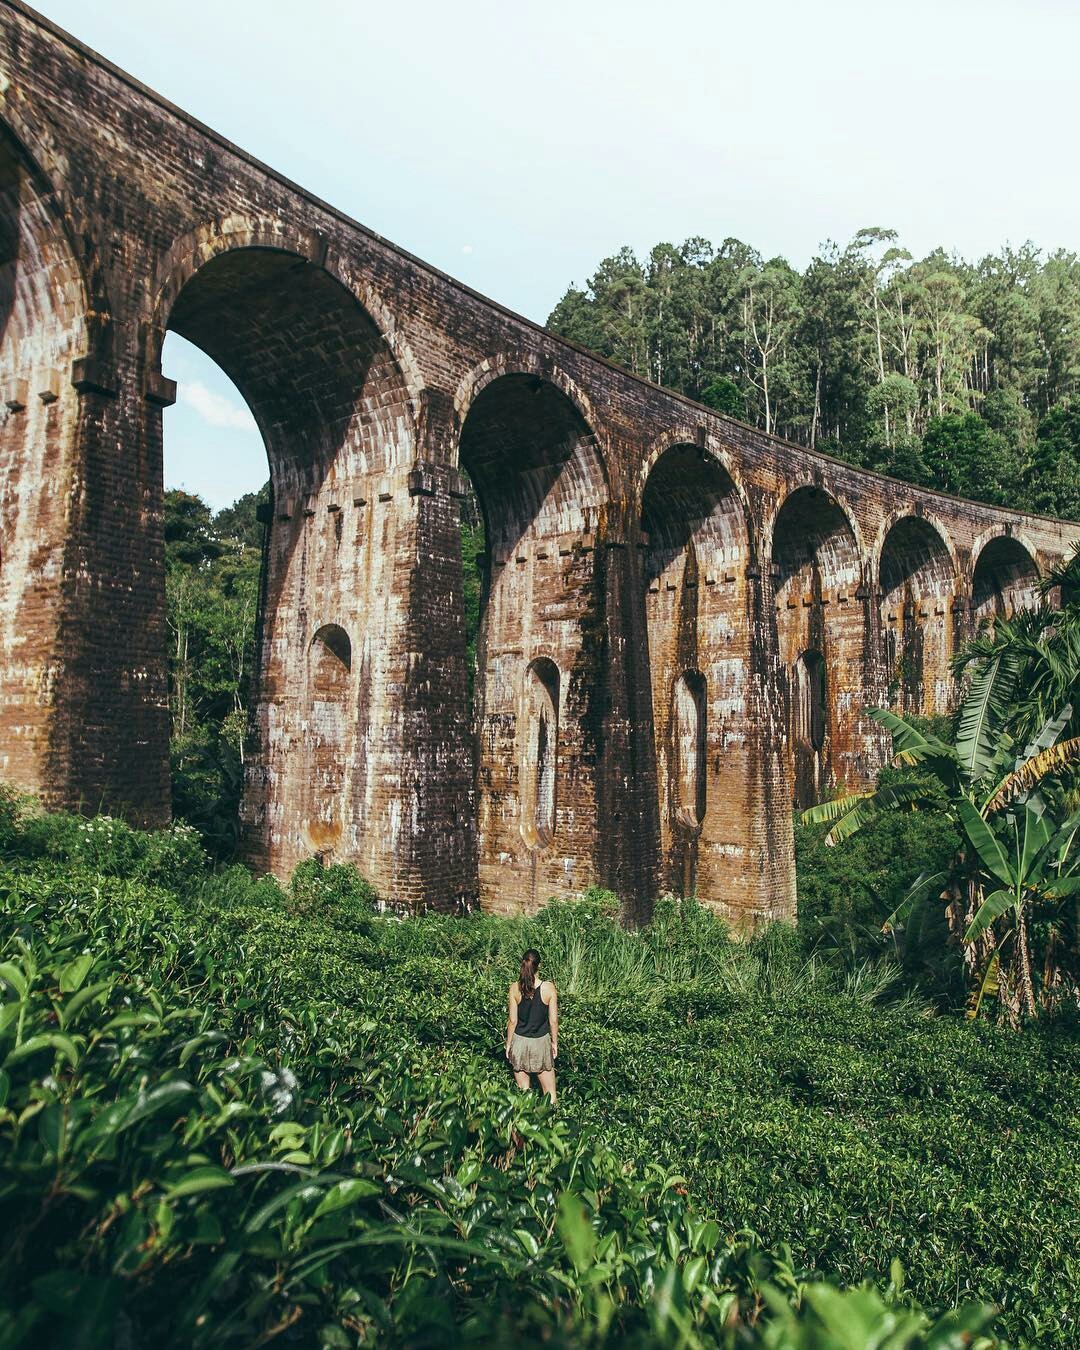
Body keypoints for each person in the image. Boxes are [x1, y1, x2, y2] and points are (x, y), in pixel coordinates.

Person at [505, 948, 558, 1103]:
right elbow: (553, 1021)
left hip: (520, 1042)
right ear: (539, 966)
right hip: (540, 1043)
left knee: (523, 1095)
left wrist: (509, 1044)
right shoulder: (548, 988)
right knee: (550, 1094)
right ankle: (550, 1124)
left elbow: (512, 1021)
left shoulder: (515, 988)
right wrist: (554, 1043)